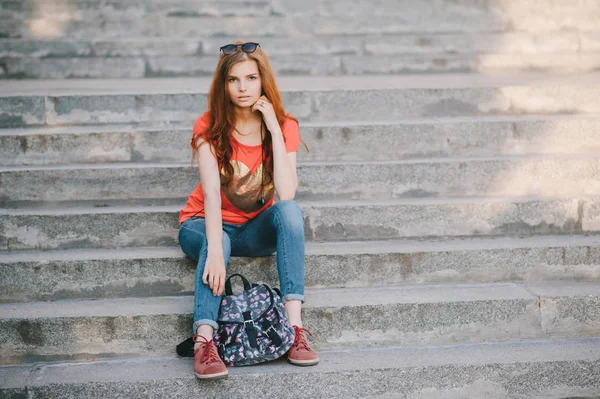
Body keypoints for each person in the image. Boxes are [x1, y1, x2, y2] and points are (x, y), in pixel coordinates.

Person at [178, 41, 319, 380]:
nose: (243, 88)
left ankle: (294, 329)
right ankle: (205, 341)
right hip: (202, 224)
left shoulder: (284, 125)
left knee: (290, 212)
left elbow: (285, 193)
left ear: (262, 81)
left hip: (254, 229)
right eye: (233, 80)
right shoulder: (209, 125)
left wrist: (272, 125)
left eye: (251, 78)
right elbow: (212, 192)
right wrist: (214, 250)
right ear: (222, 85)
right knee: (219, 244)